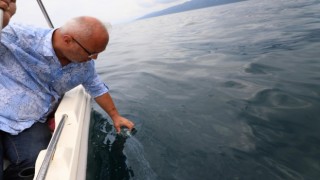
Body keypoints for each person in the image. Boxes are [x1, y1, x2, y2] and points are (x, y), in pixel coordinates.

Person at [0, 0, 135, 179]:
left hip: (29, 123)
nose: (94, 58)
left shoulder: (84, 67)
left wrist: (115, 116)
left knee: (39, 164)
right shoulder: (19, 36)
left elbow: (97, 87)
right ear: (68, 40)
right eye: (91, 52)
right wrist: (7, 16)